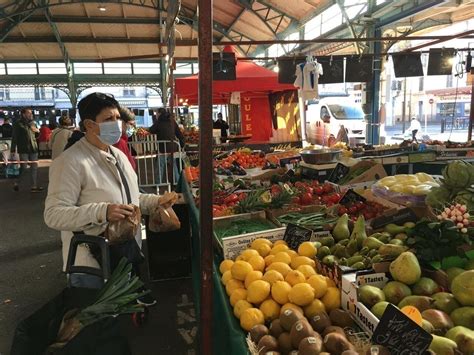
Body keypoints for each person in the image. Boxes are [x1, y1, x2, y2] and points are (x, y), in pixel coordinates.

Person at [44, 92, 160, 306]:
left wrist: (157, 202)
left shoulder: (118, 155)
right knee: (94, 324)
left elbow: (130, 199)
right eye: (108, 119)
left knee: (117, 318)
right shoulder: (70, 162)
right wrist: (102, 211)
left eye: (117, 118)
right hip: (91, 261)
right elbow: (53, 215)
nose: (116, 124)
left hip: (122, 252)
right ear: (89, 124)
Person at [149, 108, 185, 184]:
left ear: (159, 113)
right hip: (173, 147)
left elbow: (151, 130)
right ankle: (177, 182)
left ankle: (158, 183)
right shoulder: (172, 121)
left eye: (157, 114)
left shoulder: (159, 122)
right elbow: (179, 134)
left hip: (163, 148)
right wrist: (182, 144)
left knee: (160, 166)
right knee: (174, 166)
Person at [10, 108, 43, 192]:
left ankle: (34, 186)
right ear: (23, 114)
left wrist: (37, 131)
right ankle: (17, 182)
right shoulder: (18, 124)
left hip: (33, 147)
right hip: (23, 148)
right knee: (24, 168)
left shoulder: (33, 123)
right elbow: (15, 137)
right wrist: (13, 149)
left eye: (31, 113)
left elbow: (37, 136)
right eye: (28, 113)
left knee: (34, 167)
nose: (30, 114)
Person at [114, 106, 136, 171]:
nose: (132, 127)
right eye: (131, 124)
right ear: (121, 122)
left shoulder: (122, 141)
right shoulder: (119, 142)